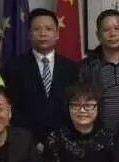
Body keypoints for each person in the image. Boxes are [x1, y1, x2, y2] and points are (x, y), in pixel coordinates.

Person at [4, 8, 78, 145]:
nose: (43, 34)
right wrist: (31, 141)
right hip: (26, 142)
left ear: (57, 34)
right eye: (37, 29)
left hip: (65, 142)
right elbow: (13, 108)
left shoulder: (71, 68)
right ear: (29, 34)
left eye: (48, 29)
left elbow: (74, 106)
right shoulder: (14, 67)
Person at [76, 9, 119, 131]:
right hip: (97, 134)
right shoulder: (85, 68)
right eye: (106, 30)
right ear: (98, 35)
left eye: (117, 28)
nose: (112, 34)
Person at [44, 79, 115, 162]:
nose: (82, 110)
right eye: (76, 105)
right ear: (68, 108)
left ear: (98, 107)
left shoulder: (109, 137)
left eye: (88, 105)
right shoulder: (56, 138)